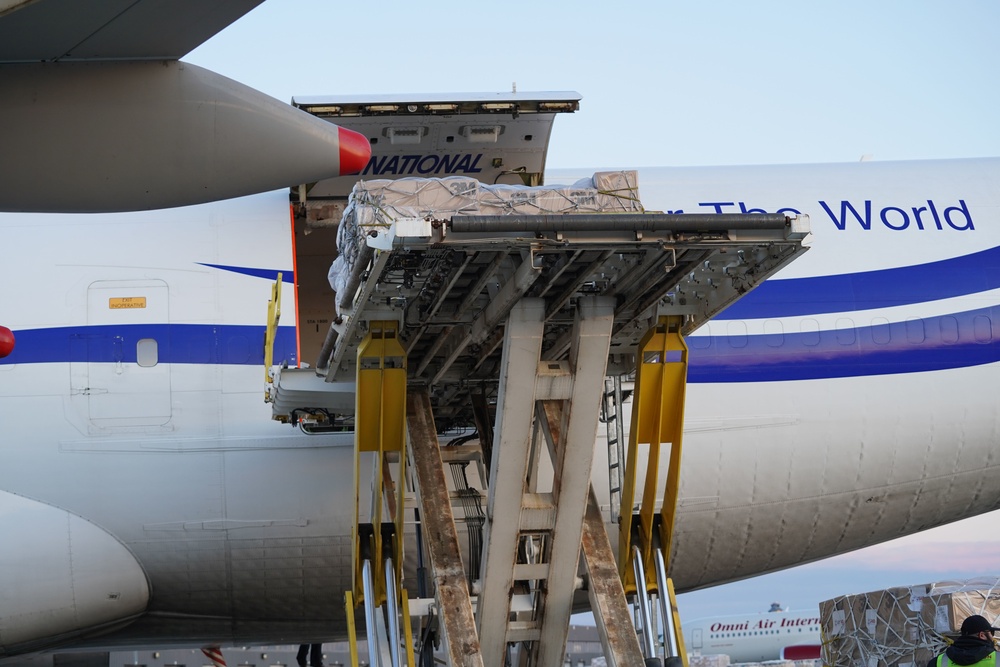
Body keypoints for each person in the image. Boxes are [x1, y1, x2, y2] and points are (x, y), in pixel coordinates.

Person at [929, 615, 1000, 667]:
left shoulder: (937, 662)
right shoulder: (998, 659)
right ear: (982, 635)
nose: (992, 637)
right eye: (991, 633)